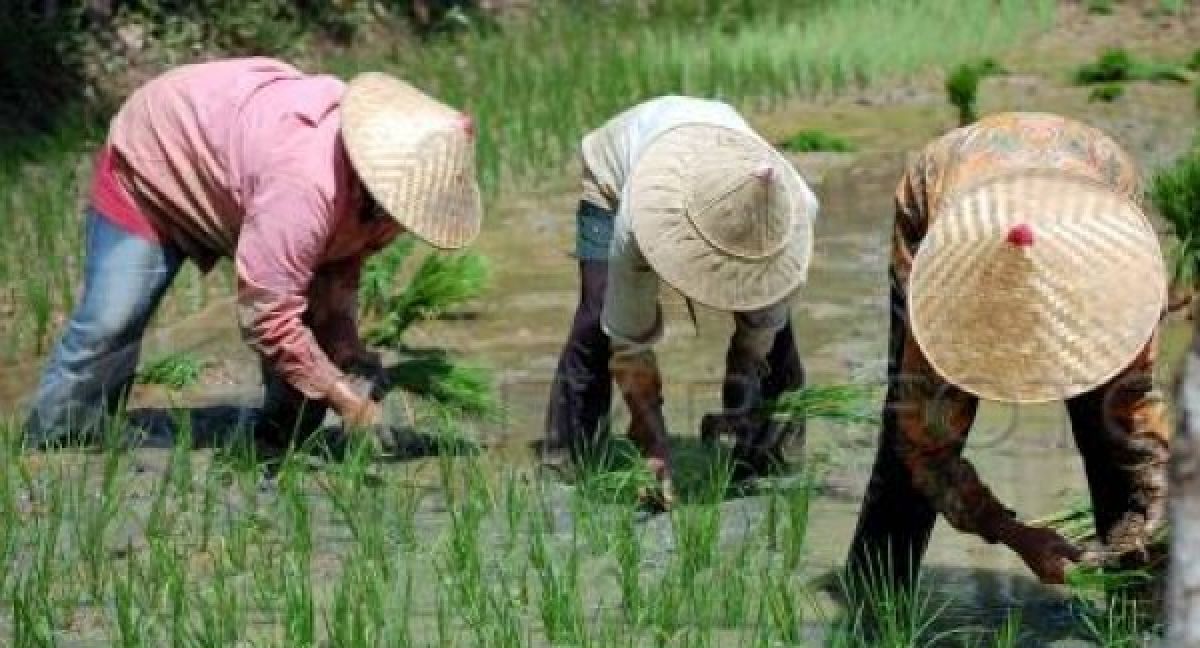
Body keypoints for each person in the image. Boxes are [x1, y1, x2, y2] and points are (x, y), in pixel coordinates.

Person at [24, 58, 482, 448]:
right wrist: (343, 398)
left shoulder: (385, 204)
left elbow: (339, 267)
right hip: (156, 163)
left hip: (239, 177)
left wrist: (346, 345)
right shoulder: (305, 185)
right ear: (376, 178)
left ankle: (276, 441)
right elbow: (268, 316)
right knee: (113, 319)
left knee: (311, 351)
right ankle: (58, 440)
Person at [846, 112, 1169, 588]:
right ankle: (875, 598)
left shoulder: (1120, 289)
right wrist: (1014, 534)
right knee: (912, 433)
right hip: (946, 196)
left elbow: (1138, 411)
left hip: (1092, 170)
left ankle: (1135, 602)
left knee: (1112, 427)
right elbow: (927, 455)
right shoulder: (943, 299)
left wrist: (1162, 505)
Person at [542, 96, 819, 506]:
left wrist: (742, 398)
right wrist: (651, 440)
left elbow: (762, 327)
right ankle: (568, 452)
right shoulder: (637, 219)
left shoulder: (795, 212)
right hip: (615, 174)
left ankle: (771, 449)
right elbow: (628, 340)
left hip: (717, 156)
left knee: (772, 329)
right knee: (596, 313)